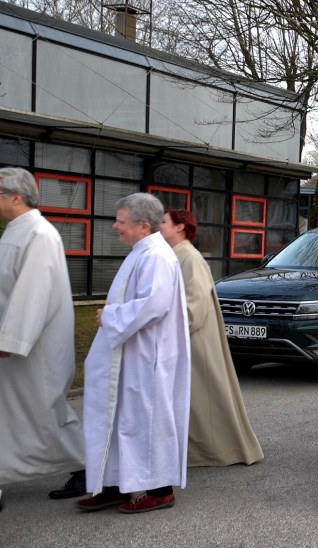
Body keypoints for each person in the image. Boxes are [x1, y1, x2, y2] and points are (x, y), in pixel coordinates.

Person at [78, 193, 190, 514]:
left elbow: (153, 305)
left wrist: (110, 316)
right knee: (119, 418)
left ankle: (159, 489)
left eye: (121, 221)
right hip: (132, 353)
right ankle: (116, 484)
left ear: (143, 226)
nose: (115, 226)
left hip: (148, 356)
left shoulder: (155, 256)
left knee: (146, 419)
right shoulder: (141, 251)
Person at [0, 168, 85, 512]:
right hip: (17, 342)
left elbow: (33, 293)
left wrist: (11, 339)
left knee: (42, 411)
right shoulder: (17, 231)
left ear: (15, 197)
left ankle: (86, 464)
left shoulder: (39, 234)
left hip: (35, 347)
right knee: (19, 412)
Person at [159, 209, 263, 467]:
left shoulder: (190, 259)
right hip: (183, 338)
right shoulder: (175, 256)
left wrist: (161, 330)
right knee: (193, 402)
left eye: (163, 222)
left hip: (194, 341)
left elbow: (193, 306)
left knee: (204, 402)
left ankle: (222, 450)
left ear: (180, 227)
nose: (158, 226)